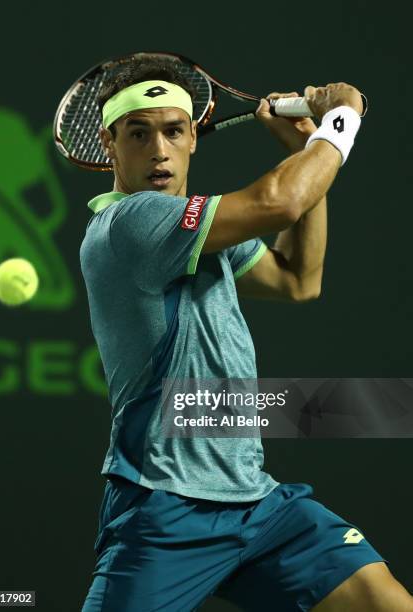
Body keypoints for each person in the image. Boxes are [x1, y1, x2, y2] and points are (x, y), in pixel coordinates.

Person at [79, 57, 412, 611]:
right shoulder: (131, 224)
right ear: (109, 145)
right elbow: (279, 203)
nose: (158, 149)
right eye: (138, 133)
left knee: (387, 605)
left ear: (193, 140)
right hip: (165, 505)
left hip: (257, 503)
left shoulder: (194, 226)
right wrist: (340, 124)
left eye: (173, 131)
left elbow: (297, 280)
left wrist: (303, 154)